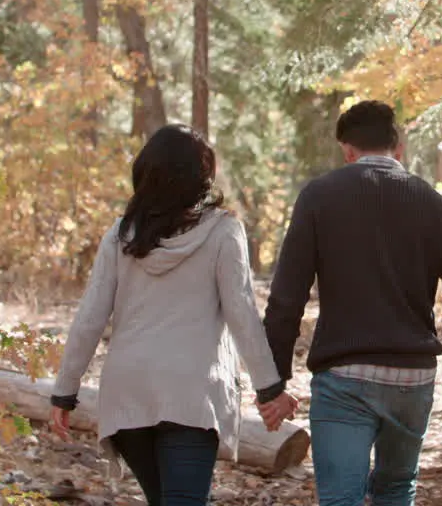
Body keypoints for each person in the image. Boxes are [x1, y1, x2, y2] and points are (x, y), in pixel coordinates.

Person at [48, 124, 298, 506]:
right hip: (191, 395)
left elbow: (89, 317)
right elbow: (242, 313)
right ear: (201, 178)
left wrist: (64, 391)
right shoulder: (223, 232)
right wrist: (270, 389)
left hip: (129, 393)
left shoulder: (121, 235)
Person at [262, 100, 442, 506]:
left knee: (341, 499)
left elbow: (286, 299)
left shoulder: (318, 198)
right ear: (398, 146)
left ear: (347, 151)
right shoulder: (437, 206)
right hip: (412, 379)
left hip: (344, 380)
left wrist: (274, 383)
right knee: (395, 490)